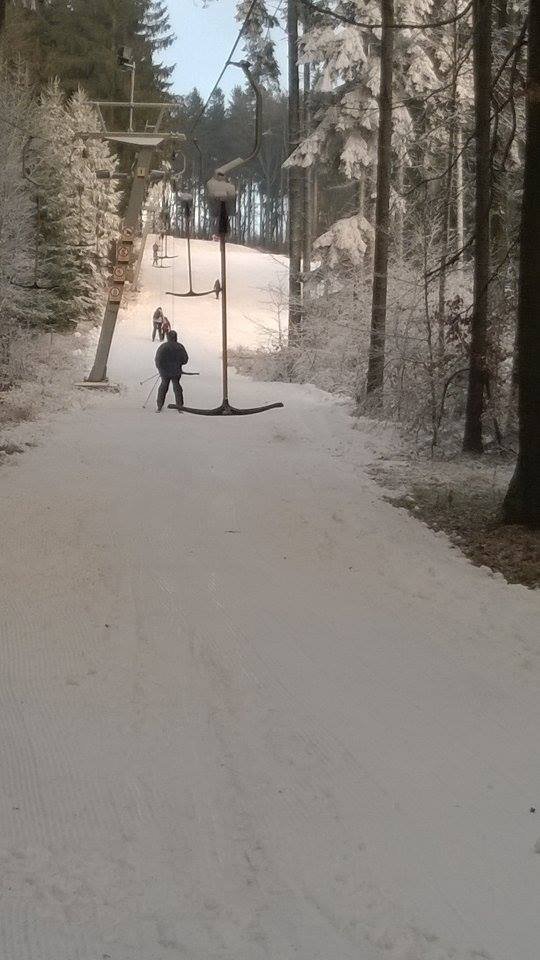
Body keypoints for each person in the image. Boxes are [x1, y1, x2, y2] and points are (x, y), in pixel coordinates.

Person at [155, 329, 189, 412]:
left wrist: (160, 369)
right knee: (177, 387)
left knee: (163, 387)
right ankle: (180, 406)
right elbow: (185, 360)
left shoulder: (163, 347)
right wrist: (178, 363)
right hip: (176, 371)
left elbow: (158, 360)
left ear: (168, 337)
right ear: (176, 337)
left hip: (165, 372)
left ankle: (159, 406)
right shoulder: (180, 346)